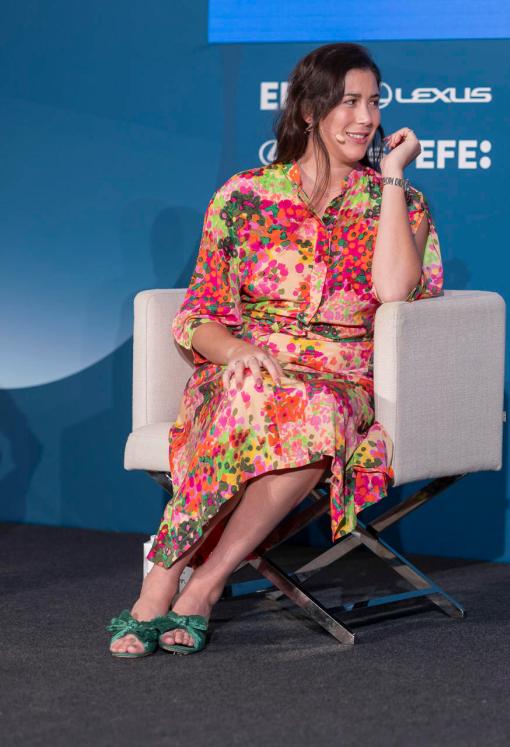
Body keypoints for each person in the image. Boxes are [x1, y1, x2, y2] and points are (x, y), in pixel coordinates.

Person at [107, 43, 442, 657]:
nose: (365, 118)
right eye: (348, 102)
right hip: (248, 372)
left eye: (373, 102)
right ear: (310, 111)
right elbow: (198, 316)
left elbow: (395, 290)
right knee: (252, 391)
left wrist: (393, 179)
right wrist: (236, 352)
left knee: (311, 415)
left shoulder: (399, 202)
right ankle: (165, 578)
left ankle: (198, 583)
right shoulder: (244, 196)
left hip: (337, 383)